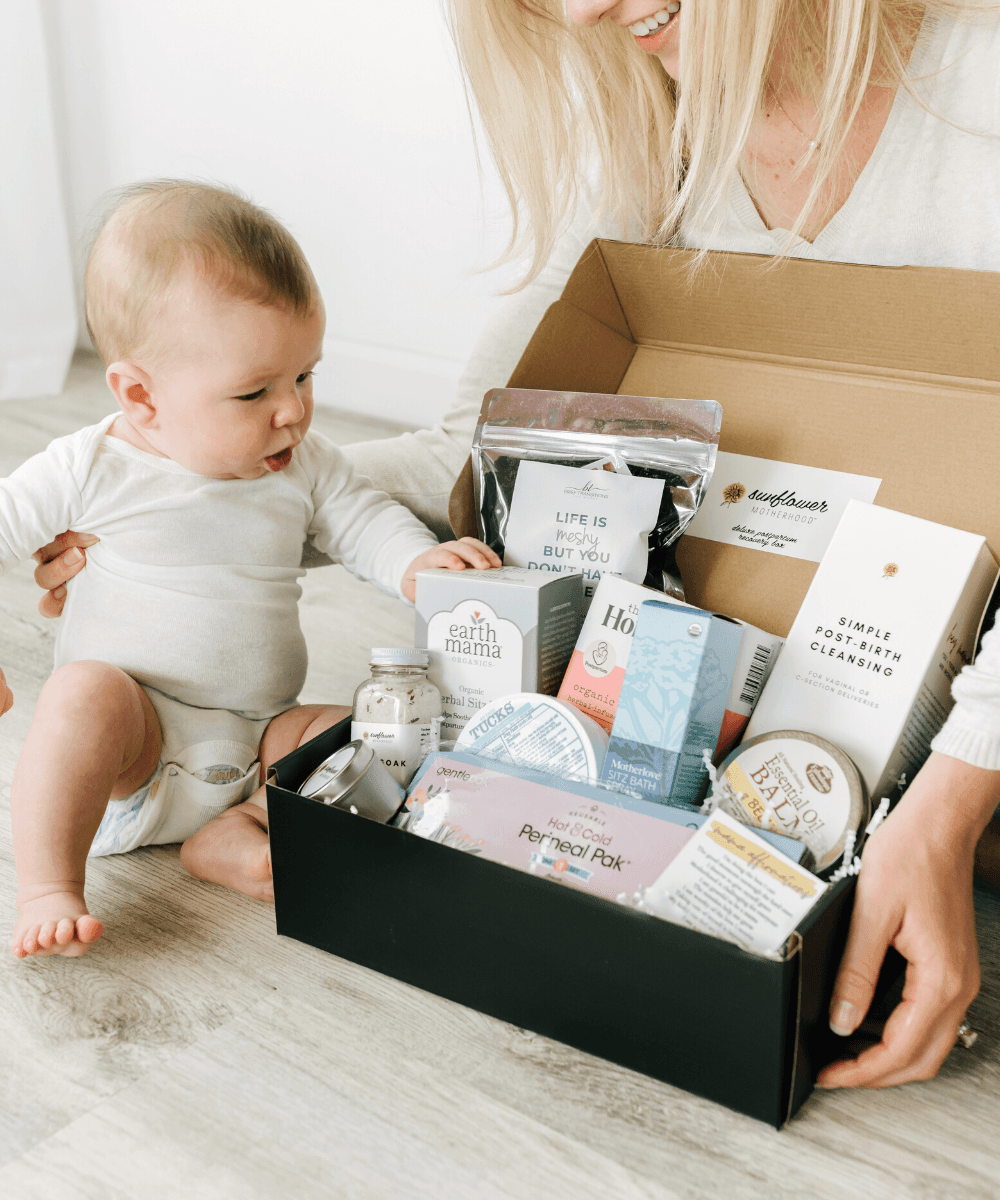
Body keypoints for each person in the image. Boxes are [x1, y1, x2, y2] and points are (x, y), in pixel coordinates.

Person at [28, 0, 1000, 1089]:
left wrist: (952, 798)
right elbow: (465, 450)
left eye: (299, 382)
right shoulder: (651, 127)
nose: (580, 11)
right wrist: (188, 508)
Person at [6, 180, 500, 961]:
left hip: (262, 734)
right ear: (141, 396)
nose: (293, 412)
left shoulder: (300, 463)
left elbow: (361, 517)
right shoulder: (92, 468)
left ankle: (235, 834)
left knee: (370, 726)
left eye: (304, 376)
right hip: (138, 748)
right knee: (80, 694)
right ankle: (47, 885)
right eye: (254, 391)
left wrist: (417, 562)